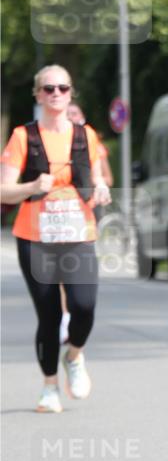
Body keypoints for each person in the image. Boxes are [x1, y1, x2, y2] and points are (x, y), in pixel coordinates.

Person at [0, 65, 111, 413]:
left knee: (84, 306)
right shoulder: (22, 136)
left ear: (70, 93)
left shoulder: (86, 135)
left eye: (62, 88)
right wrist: (32, 187)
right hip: (36, 238)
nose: (56, 94)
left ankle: (74, 355)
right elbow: (3, 188)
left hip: (78, 235)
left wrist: (103, 188)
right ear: (37, 95)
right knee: (48, 315)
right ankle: (49, 388)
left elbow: (95, 178)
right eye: (48, 89)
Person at [61, 103, 114, 344]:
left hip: (86, 211)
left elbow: (106, 177)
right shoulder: (52, 140)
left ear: (82, 118)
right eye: (68, 114)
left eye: (75, 114)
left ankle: (74, 311)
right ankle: (64, 316)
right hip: (59, 213)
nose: (71, 117)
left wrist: (97, 187)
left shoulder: (91, 142)